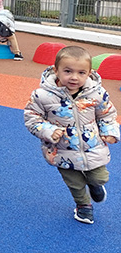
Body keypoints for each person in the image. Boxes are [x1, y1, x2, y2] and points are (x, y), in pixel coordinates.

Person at [24, 46, 119, 224]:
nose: (74, 77)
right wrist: (49, 131)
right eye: (68, 71)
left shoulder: (96, 93)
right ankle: (84, 206)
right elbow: (32, 118)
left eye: (81, 72)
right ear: (56, 70)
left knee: (100, 177)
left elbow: (107, 114)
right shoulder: (42, 95)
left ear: (89, 73)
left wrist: (110, 132)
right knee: (74, 183)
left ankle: (95, 185)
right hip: (62, 149)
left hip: (92, 146)